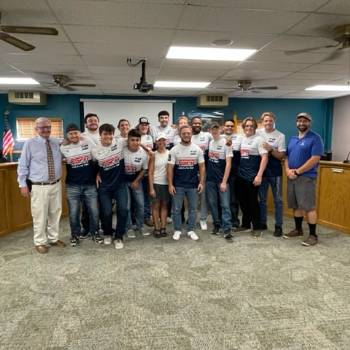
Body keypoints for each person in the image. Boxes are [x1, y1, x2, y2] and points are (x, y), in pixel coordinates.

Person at [17, 117, 66, 254]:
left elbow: (65, 153)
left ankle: (53, 238)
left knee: (55, 213)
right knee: (40, 215)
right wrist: (22, 184)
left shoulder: (56, 142)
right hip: (39, 186)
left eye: (48, 127)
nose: (46, 129)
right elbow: (22, 165)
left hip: (56, 184)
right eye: (42, 127)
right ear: (36, 129)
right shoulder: (30, 144)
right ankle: (39, 242)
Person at [283, 112, 324, 246]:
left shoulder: (315, 138)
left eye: (305, 121)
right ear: (296, 123)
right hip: (292, 176)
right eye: (299, 121)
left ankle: (313, 235)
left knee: (309, 207)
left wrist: (298, 172)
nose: (302, 123)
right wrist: (288, 170)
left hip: (306, 177)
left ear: (309, 123)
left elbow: (315, 158)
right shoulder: (293, 138)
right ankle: (298, 229)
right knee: (295, 205)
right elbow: (287, 157)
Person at [60, 123, 102, 246]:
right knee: (74, 213)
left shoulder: (87, 142)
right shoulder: (63, 147)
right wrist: (63, 142)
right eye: (71, 133)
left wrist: (98, 173)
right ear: (67, 135)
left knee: (94, 211)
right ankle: (75, 235)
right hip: (72, 186)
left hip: (90, 185)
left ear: (80, 133)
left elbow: (98, 156)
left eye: (76, 132)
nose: (74, 135)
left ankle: (95, 233)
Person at [92, 123, 128, 250]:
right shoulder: (95, 150)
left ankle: (118, 236)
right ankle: (107, 233)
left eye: (110, 133)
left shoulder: (120, 143)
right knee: (106, 212)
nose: (108, 136)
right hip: (105, 186)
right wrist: (96, 174)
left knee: (123, 210)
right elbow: (94, 165)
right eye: (105, 134)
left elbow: (136, 138)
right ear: (100, 135)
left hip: (120, 185)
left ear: (113, 134)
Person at [167, 125, 205, 241]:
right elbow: (169, 168)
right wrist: (170, 184)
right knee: (177, 209)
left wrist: (201, 182)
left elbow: (202, 167)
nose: (186, 135)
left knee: (193, 209)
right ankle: (177, 230)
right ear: (180, 134)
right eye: (184, 133)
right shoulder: (174, 150)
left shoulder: (197, 149)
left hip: (193, 185)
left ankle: (191, 230)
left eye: (188, 133)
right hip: (178, 185)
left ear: (191, 134)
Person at [236, 117, 268, 236]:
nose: (249, 128)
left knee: (253, 202)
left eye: (251, 126)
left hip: (252, 176)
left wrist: (259, 175)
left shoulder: (259, 139)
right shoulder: (242, 139)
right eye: (247, 126)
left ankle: (257, 227)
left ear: (255, 127)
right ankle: (245, 224)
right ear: (243, 128)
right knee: (243, 202)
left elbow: (265, 157)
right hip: (241, 175)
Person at [257, 112, 286, 236]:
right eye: (266, 121)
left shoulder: (280, 136)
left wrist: (271, 149)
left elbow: (281, 156)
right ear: (262, 121)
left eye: (270, 120)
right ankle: (263, 222)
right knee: (262, 200)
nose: (268, 123)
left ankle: (278, 226)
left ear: (274, 121)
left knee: (278, 200)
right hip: (262, 173)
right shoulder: (258, 133)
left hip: (275, 173)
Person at [206, 122, 233, 241]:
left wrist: (224, 181)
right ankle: (217, 225)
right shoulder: (210, 142)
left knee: (225, 205)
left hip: (222, 180)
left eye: (217, 129)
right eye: (213, 129)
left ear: (220, 129)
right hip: (210, 180)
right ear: (210, 130)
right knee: (212, 204)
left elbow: (228, 163)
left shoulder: (226, 143)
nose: (215, 131)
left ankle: (227, 228)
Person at [123, 128, 150, 238]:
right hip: (123, 182)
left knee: (140, 204)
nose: (135, 142)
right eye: (132, 140)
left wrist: (136, 181)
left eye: (137, 140)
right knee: (127, 206)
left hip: (136, 181)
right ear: (128, 141)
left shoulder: (143, 153)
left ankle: (140, 226)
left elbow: (144, 169)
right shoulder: (122, 150)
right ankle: (129, 228)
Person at [191, 116, 211, 231]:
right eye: (195, 123)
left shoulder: (207, 136)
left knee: (203, 196)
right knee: (192, 196)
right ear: (191, 124)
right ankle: (192, 218)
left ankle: (203, 218)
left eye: (199, 123)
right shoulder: (188, 136)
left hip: (204, 169)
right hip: (191, 171)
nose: (197, 125)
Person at [148, 133, 170, 238]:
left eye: (163, 140)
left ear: (166, 141)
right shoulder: (153, 155)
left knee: (164, 206)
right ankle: (156, 228)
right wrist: (151, 188)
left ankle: (163, 227)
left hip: (166, 184)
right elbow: (150, 172)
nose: (161, 142)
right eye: (159, 140)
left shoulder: (170, 153)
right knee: (156, 206)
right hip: (156, 183)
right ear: (156, 142)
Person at [222, 119, 242, 229]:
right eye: (227, 125)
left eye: (231, 126)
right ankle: (222, 220)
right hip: (222, 172)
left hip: (234, 173)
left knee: (233, 199)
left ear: (234, 127)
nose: (229, 127)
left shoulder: (239, 138)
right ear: (223, 127)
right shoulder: (219, 138)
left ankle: (234, 220)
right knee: (222, 198)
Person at [136, 117, 154, 227]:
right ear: (138, 126)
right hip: (137, 171)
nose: (144, 126)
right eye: (142, 124)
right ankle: (137, 218)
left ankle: (147, 217)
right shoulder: (135, 137)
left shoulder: (150, 137)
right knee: (137, 197)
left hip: (149, 170)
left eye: (146, 125)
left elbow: (152, 153)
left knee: (147, 197)